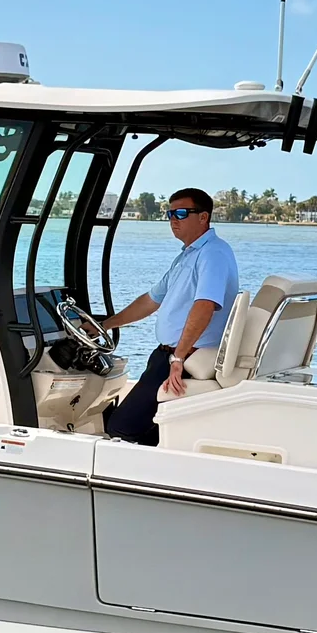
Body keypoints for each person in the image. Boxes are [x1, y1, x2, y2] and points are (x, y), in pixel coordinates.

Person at [100, 188, 239, 444]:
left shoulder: (212, 253)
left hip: (184, 357)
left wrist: (178, 358)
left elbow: (205, 305)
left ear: (203, 217)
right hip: (167, 355)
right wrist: (105, 324)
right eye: (170, 213)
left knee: (121, 429)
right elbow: (150, 300)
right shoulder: (187, 255)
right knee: (124, 423)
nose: (174, 219)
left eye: (182, 213)